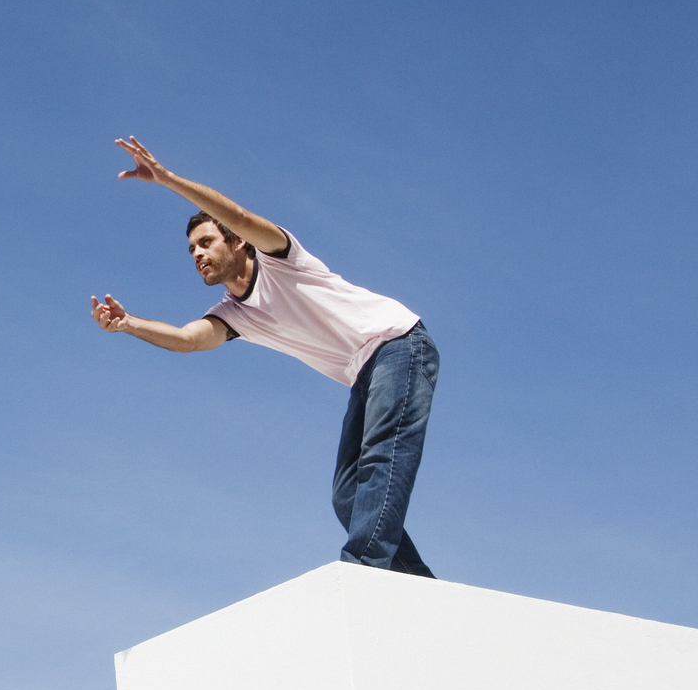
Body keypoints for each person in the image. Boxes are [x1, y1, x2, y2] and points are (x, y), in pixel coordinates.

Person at [90, 137, 440, 578]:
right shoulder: (233, 313)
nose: (197, 254)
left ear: (236, 243)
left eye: (205, 242)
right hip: (365, 370)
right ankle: (417, 582)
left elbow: (236, 215)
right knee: (347, 493)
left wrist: (167, 180)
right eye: (191, 250)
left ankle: (362, 571)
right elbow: (187, 338)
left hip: (398, 342)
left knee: (380, 459)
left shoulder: (281, 258)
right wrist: (128, 324)